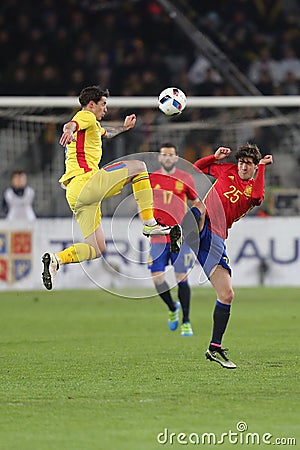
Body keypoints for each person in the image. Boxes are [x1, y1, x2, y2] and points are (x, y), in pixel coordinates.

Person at [42, 85, 170, 290]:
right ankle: (149, 223)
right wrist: (67, 130)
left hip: (75, 194)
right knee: (139, 167)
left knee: (96, 248)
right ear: (91, 105)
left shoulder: (92, 126)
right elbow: (71, 124)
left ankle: (57, 259)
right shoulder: (86, 117)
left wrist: (124, 128)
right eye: (103, 105)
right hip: (87, 181)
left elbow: (105, 133)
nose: (106, 109)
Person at [170, 144, 273, 368]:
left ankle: (214, 348)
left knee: (227, 295)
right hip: (203, 224)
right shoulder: (226, 170)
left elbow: (257, 197)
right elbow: (197, 167)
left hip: (216, 237)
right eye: (241, 162)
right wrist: (213, 157)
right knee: (203, 204)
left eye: (248, 164)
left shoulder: (255, 186)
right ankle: (181, 233)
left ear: (254, 167)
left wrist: (263, 167)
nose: (243, 166)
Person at [148, 143, 199, 336]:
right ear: (160, 158)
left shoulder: (185, 178)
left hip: (179, 237)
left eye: (171, 155)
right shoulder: (152, 179)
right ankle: (172, 307)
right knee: (157, 278)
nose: (168, 158)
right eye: (164, 155)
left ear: (176, 158)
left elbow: (196, 203)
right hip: (158, 236)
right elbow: (142, 202)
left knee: (181, 278)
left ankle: (186, 321)